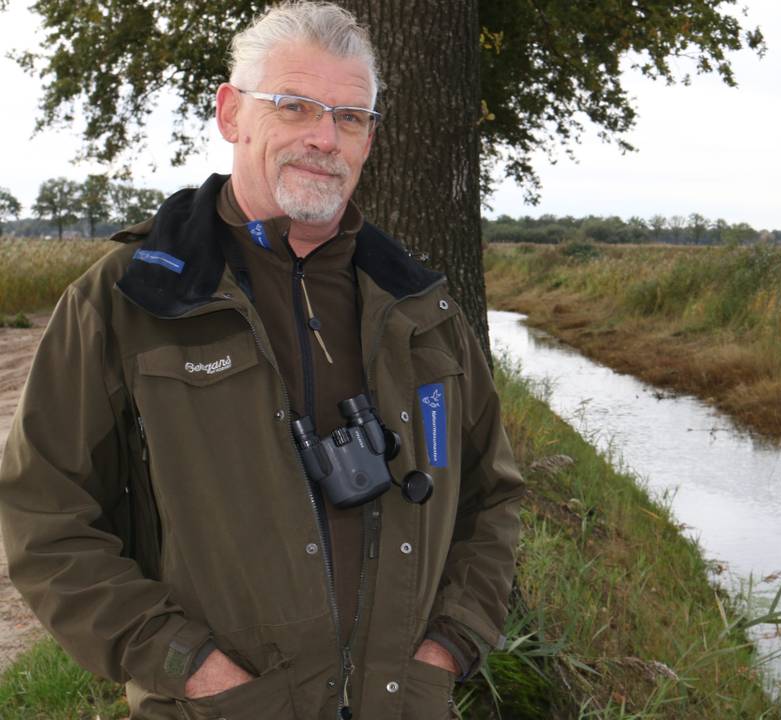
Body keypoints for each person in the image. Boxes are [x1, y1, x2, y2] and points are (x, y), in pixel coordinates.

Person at [0, 3, 524, 718]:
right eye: (294, 106)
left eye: (349, 117)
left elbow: (492, 498)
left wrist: (449, 646)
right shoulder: (129, 300)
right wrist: (189, 668)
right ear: (230, 114)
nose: (323, 138)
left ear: (370, 140)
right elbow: (43, 515)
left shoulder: (423, 310)